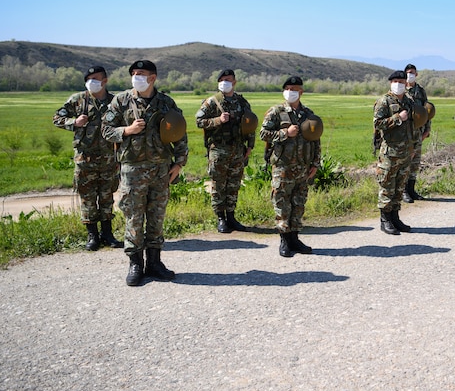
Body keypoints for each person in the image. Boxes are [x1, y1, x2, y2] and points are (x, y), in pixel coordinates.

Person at [101, 60, 188, 286]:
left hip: (161, 169)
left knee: (157, 216)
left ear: (152, 78)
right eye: (133, 73)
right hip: (132, 169)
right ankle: (135, 264)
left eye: (141, 73)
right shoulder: (121, 100)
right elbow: (106, 130)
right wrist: (127, 130)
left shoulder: (166, 102)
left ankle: (155, 263)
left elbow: (180, 133)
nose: (136, 77)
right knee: (134, 216)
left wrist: (179, 163)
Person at [53, 66, 122, 251]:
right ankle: (92, 236)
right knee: (88, 199)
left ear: (105, 80)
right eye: (89, 78)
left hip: (109, 159)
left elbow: (124, 125)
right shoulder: (78, 100)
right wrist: (73, 122)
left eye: (96, 78)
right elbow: (57, 118)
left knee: (107, 198)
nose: (92, 82)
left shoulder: (115, 101)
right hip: (85, 159)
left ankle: (107, 234)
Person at [259, 76, 321, 257]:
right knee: (282, 203)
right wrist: (285, 133)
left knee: (298, 203)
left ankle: (295, 238)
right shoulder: (276, 112)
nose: (291, 92)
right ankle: (284, 240)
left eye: (295, 89)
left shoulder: (308, 114)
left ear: (301, 92)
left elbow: (316, 140)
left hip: (303, 167)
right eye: (288, 88)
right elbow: (264, 134)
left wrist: (315, 164)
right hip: (283, 167)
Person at [195, 69, 255, 233]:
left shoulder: (242, 102)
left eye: (228, 79)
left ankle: (231, 216)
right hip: (218, 149)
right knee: (218, 184)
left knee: (234, 184)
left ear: (234, 82)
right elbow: (199, 121)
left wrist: (250, 146)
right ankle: (220, 218)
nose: (224, 82)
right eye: (221, 80)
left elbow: (250, 125)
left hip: (237, 149)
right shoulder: (212, 102)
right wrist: (217, 120)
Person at [373, 70, 416, 235]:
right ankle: (385, 220)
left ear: (406, 83)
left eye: (401, 81)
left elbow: (413, 126)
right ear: (391, 83)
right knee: (387, 186)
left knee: (399, 187)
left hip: (405, 152)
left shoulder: (409, 101)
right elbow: (378, 124)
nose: (398, 84)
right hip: (389, 153)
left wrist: (413, 147)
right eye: (395, 81)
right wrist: (398, 118)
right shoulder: (384, 101)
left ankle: (395, 217)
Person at [402, 63, 431, 203]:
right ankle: (403, 191)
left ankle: (412, 190)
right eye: (408, 72)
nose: (410, 75)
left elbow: (427, 111)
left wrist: (427, 129)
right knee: (405, 162)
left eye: (412, 72)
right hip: (405, 133)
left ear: (416, 74)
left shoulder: (421, 91)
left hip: (418, 132)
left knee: (415, 162)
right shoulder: (401, 90)